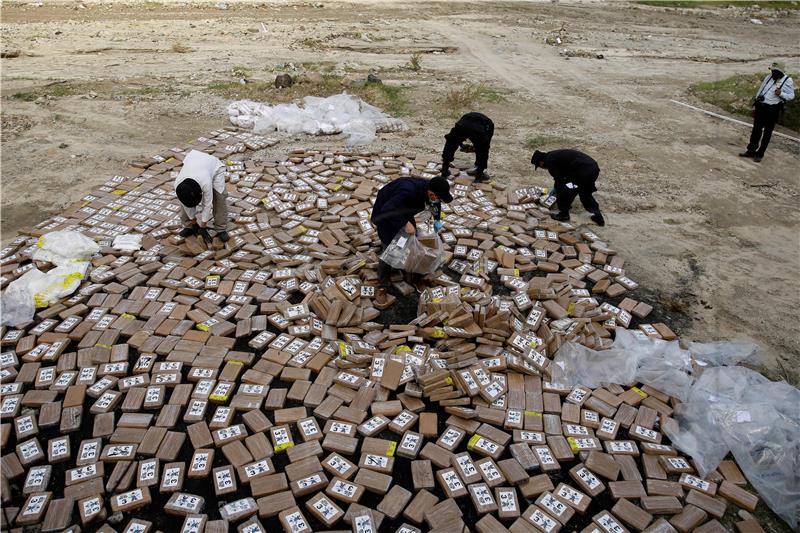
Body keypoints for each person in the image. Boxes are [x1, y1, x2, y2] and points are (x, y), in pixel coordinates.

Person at [370, 175, 453, 306]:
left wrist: (437, 219)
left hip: (405, 210)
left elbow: (435, 204)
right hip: (385, 212)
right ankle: (382, 285)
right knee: (390, 247)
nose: (438, 200)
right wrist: (404, 223)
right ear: (431, 193)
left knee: (413, 242)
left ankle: (416, 276)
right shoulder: (408, 191)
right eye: (437, 197)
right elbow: (388, 208)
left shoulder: (432, 191)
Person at [531, 149, 605, 226]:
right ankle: (598, 217)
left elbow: (560, 180)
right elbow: (564, 174)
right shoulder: (552, 155)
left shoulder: (550, 162)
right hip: (593, 168)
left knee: (564, 191)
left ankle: (564, 214)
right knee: (585, 194)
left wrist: (557, 191)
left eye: (539, 166)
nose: (542, 168)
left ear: (541, 162)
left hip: (582, 171)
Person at [740, 62, 794, 163]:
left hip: (773, 109)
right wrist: (756, 100)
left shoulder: (787, 81)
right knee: (756, 129)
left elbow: (791, 96)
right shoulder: (769, 77)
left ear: (780, 72)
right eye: (772, 71)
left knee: (767, 132)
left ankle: (760, 154)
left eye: (774, 71)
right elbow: (762, 89)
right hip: (761, 106)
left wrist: (781, 94)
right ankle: (751, 150)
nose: (772, 73)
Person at [174, 150, 230, 243]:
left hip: (214, 167)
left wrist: (203, 226)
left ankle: (221, 229)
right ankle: (189, 226)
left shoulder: (205, 183)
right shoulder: (178, 185)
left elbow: (207, 204)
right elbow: (185, 204)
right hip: (193, 159)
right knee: (185, 199)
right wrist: (194, 222)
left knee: (219, 198)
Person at [441, 112, 494, 182]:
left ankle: (444, 171)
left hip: (463, 124)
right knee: (483, 150)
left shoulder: (488, 125)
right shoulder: (489, 125)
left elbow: (456, 137)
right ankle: (479, 176)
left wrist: (461, 144)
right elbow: (484, 147)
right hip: (472, 126)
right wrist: (475, 148)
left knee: (451, 142)